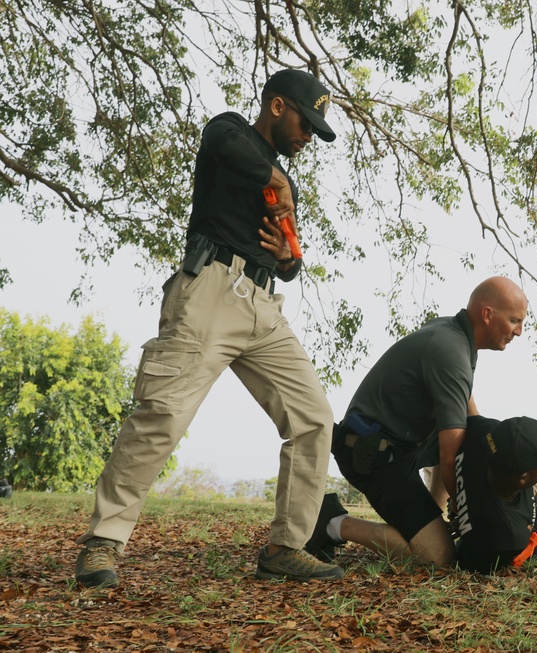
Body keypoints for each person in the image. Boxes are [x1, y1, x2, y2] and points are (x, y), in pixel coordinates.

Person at [74, 69, 343, 588]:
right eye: (306, 124)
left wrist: (289, 259)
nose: (308, 136)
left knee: (315, 418)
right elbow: (224, 145)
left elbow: (288, 255)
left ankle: (286, 548)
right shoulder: (230, 133)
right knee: (162, 415)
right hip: (210, 292)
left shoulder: (284, 182)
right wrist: (277, 180)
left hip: (264, 307)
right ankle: (102, 543)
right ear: (278, 106)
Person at [311, 277, 529, 568]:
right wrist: (468, 515)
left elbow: (470, 421)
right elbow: (450, 455)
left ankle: (430, 517)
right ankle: (332, 522)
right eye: (515, 320)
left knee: (462, 435)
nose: (519, 331)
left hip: (401, 445)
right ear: (488, 315)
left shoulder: (456, 336)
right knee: (437, 556)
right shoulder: (450, 351)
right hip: (373, 455)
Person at [309, 415, 537, 573]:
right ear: (524, 475)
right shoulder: (503, 535)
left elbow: (464, 420)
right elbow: (461, 557)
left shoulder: (485, 436)